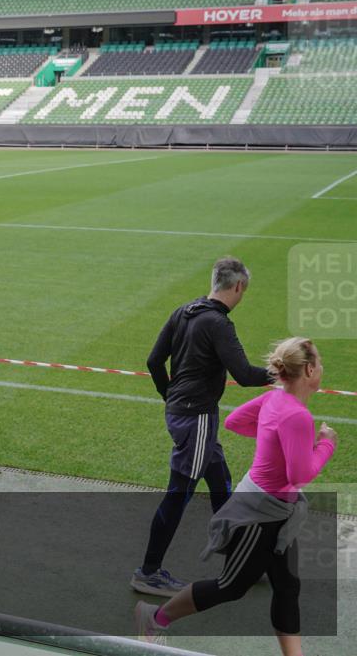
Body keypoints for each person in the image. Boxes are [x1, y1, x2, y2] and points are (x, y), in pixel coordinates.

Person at [136, 338, 337, 656]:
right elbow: (301, 475)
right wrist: (326, 444)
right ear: (310, 370)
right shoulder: (297, 417)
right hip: (259, 515)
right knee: (230, 586)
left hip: (277, 512)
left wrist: (275, 438)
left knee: (287, 586)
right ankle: (154, 617)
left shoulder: (276, 398)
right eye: (321, 363)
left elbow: (235, 421)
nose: (322, 368)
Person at [132, 256, 273, 596]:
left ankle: (240, 561)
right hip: (196, 419)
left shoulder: (184, 311)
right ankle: (148, 571)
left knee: (221, 485)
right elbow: (243, 374)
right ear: (238, 286)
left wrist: (170, 396)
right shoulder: (219, 324)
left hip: (188, 414)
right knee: (178, 495)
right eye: (244, 290)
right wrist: (284, 374)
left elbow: (154, 361)